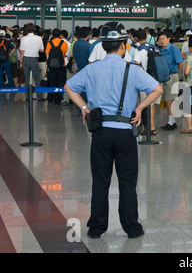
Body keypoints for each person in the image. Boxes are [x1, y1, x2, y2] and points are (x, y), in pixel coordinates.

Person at [64, 21, 163, 238]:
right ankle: (132, 228)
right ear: (122, 46)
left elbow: (69, 87)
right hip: (125, 132)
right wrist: (139, 107)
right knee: (127, 182)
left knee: (100, 181)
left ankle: (97, 228)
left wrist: (84, 107)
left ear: (103, 45)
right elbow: (157, 89)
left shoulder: (91, 68)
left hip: (100, 133)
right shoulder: (131, 69)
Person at [157, 31, 184, 130]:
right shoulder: (159, 49)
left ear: (169, 39)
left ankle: (171, 122)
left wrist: (177, 74)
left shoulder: (174, 49)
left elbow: (180, 63)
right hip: (163, 77)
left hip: (172, 76)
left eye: (164, 39)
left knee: (170, 100)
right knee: (167, 99)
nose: (162, 41)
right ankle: (171, 121)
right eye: (160, 39)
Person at [19, 23, 45, 101]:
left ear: (26, 29)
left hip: (25, 59)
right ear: (34, 29)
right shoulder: (38, 38)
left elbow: (22, 51)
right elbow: (42, 50)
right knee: (37, 79)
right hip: (34, 60)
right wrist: (35, 48)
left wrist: (20, 62)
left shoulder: (23, 38)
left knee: (27, 79)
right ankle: (39, 97)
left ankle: (28, 97)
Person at [45, 28, 70, 104]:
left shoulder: (49, 43)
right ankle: (57, 99)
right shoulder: (64, 43)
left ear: (52, 34)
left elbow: (47, 55)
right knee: (59, 82)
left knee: (51, 81)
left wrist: (48, 63)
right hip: (61, 66)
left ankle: (50, 98)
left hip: (51, 66)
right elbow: (66, 54)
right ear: (59, 35)